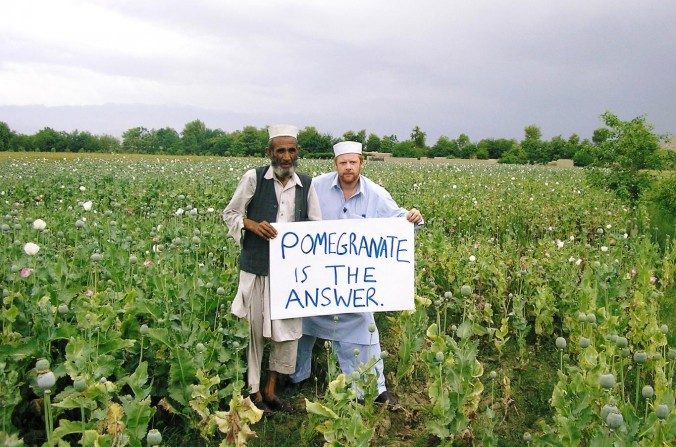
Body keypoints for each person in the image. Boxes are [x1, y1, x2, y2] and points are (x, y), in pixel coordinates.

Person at [290, 140, 423, 404]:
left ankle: (372, 388)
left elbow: (399, 221)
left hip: (355, 282)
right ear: (335, 164)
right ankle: (294, 376)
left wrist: (414, 219)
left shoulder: (375, 193)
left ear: (361, 163)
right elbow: (294, 213)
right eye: (343, 163)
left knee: (364, 327)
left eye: (353, 162)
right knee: (300, 322)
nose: (348, 167)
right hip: (319, 277)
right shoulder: (316, 186)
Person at [223, 124, 321, 412]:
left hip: (291, 275)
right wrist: (251, 225)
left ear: (297, 153)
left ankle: (271, 388)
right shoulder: (254, 179)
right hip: (257, 269)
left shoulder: (306, 184)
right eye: (281, 150)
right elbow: (230, 213)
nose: (287, 156)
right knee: (254, 331)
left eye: (291, 150)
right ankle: (253, 392)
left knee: (287, 332)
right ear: (270, 153)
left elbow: (316, 226)